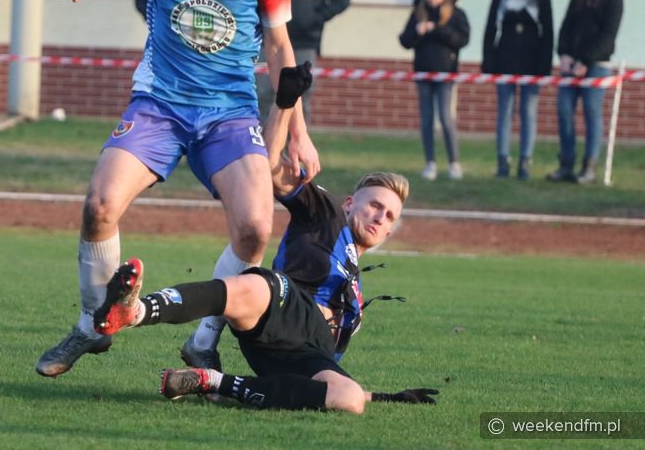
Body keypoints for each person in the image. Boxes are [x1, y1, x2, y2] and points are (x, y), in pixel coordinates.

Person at [38, 0, 320, 379]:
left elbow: (281, 50)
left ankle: (202, 341)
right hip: (159, 105)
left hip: (229, 112)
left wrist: (298, 131)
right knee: (99, 206)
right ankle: (91, 325)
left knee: (255, 228)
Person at [91, 68, 435, 413]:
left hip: (307, 355)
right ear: (349, 203)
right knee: (257, 286)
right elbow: (266, 170)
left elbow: (322, 385)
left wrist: (388, 397)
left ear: (389, 231)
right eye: (374, 205)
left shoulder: (356, 288)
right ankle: (135, 310)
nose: (380, 217)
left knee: (350, 399)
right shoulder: (326, 212)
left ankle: (212, 381)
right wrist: (284, 105)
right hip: (284, 308)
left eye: (389, 216)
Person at [547, 0, 623, 185]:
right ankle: (566, 164)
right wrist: (564, 54)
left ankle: (589, 167)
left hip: (596, 65)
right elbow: (566, 27)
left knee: (592, 113)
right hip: (571, 66)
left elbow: (607, 37)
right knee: (564, 110)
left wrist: (585, 60)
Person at [481, 0, 553, 180]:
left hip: (533, 59)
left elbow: (548, 31)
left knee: (528, 112)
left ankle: (525, 163)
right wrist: (488, 59)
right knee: (505, 111)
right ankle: (503, 162)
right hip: (505, 56)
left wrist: (545, 66)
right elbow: (491, 25)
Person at [399, 0, 470, 182]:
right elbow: (405, 41)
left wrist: (437, 29)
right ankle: (430, 162)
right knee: (426, 120)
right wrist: (417, 31)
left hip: (446, 74)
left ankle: (454, 163)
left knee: (446, 118)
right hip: (423, 73)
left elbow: (462, 39)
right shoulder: (418, 12)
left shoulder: (456, 14)